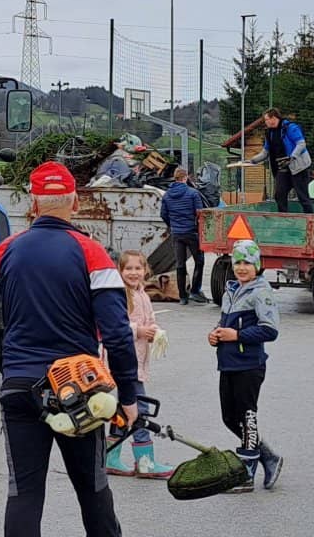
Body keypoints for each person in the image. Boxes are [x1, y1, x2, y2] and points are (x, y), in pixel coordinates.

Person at [0, 161, 138, 537]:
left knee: (24, 493)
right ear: (74, 202)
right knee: (93, 489)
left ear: (33, 205)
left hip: (21, 386)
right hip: (78, 391)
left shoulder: (8, 249)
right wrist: (130, 396)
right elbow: (118, 334)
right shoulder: (92, 254)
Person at [207, 239, 284, 493]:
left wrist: (237, 336)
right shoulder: (231, 289)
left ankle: (247, 472)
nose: (241, 268)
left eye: (247, 263)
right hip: (227, 364)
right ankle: (268, 456)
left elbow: (270, 330)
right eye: (237, 262)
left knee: (247, 417)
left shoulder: (261, 291)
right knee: (229, 417)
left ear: (258, 265)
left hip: (249, 365)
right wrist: (216, 335)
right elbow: (226, 324)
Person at [104, 250, 175, 480]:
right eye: (128, 269)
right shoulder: (121, 295)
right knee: (140, 408)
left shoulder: (142, 293)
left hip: (138, 359)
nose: (134, 273)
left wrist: (155, 331)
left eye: (138, 268)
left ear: (146, 270)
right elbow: (116, 328)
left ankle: (110, 457)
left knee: (123, 409)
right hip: (125, 361)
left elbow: (149, 321)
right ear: (120, 271)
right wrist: (139, 331)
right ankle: (145, 462)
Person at [248, 108, 313, 214]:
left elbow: (301, 144)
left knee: (302, 196)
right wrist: (252, 161)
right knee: (279, 194)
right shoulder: (269, 133)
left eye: (266, 119)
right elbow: (265, 152)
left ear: (273, 118)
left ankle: (312, 218)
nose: (265, 122)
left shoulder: (290, 128)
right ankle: (283, 217)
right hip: (282, 167)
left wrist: (292, 157)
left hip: (298, 166)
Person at [160, 167, 208, 305]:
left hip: (176, 233)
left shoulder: (167, 195)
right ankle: (194, 291)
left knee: (180, 264)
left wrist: (172, 225)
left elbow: (163, 214)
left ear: (175, 178)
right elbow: (199, 213)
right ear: (185, 178)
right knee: (199, 261)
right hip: (191, 232)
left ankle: (182, 297)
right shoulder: (192, 193)